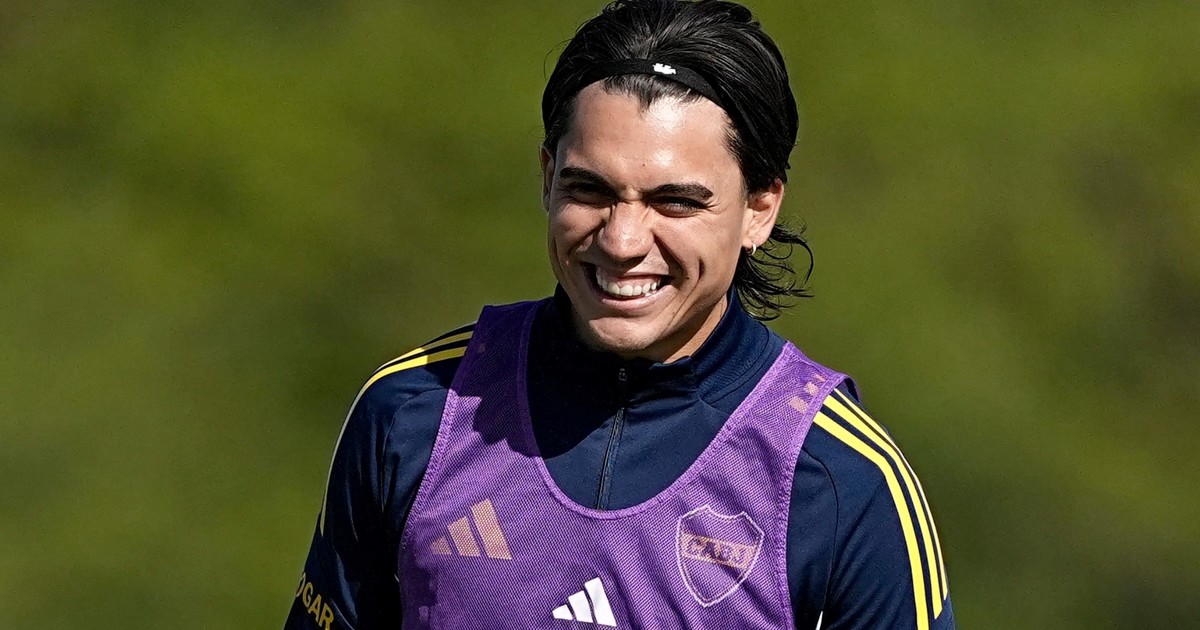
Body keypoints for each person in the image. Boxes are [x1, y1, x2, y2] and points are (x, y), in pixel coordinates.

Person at [284, 1, 955, 628]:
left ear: (760, 208)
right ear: (546, 178)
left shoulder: (841, 482)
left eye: (676, 202)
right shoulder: (413, 412)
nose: (623, 240)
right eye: (590, 190)